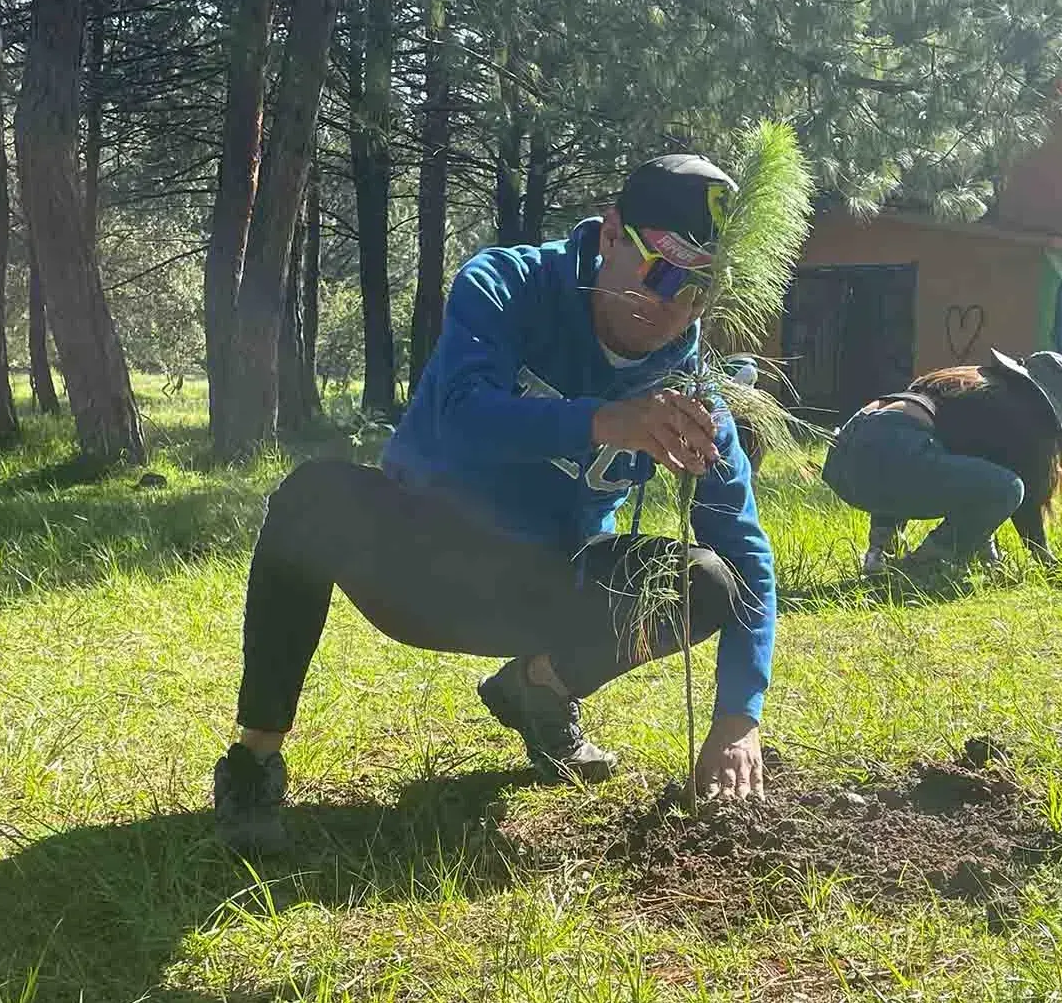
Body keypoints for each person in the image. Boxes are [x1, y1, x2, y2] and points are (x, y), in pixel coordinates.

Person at [211, 154, 776, 856]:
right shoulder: (507, 284)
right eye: (665, 272)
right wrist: (604, 421)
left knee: (708, 580)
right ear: (611, 234)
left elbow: (744, 549)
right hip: (420, 561)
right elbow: (459, 413)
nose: (676, 306)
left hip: (543, 584)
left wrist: (738, 719)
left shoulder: (694, 388)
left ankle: (538, 690)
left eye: (702, 288)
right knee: (313, 497)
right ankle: (254, 760)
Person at [822, 348, 1062, 578]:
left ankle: (882, 550)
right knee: (1011, 488)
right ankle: (928, 561)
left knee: (910, 451)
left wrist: (988, 554)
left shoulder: (970, 383)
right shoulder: (1015, 410)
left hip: (843, 457)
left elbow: (974, 483)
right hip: (892, 454)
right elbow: (1017, 500)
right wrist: (1044, 557)